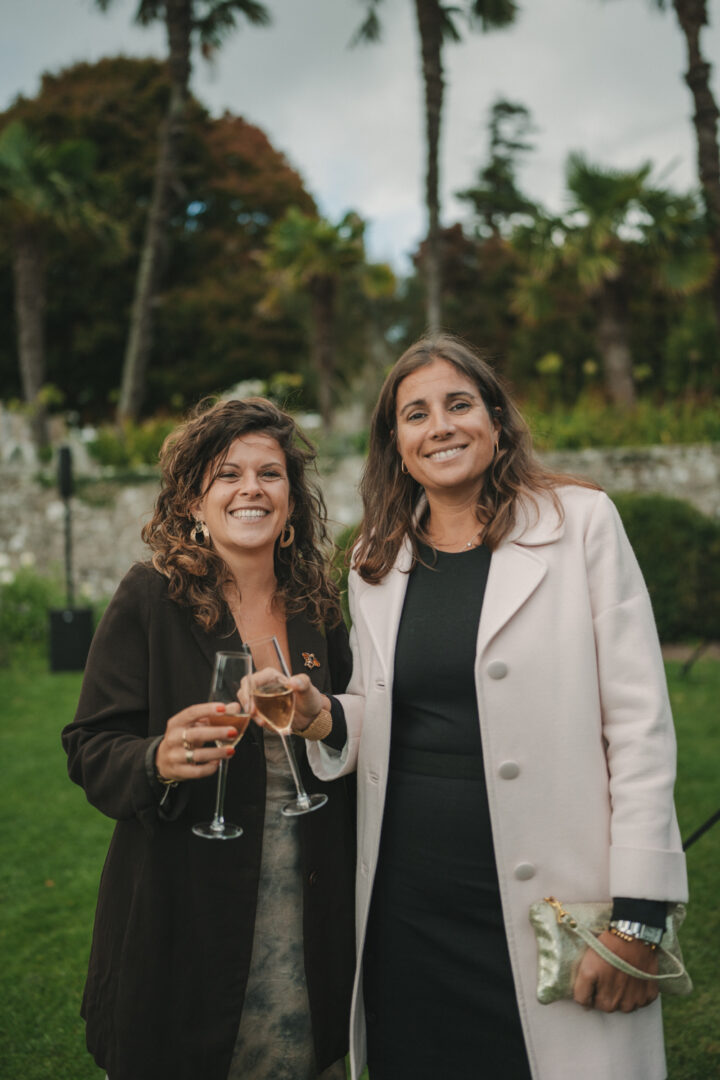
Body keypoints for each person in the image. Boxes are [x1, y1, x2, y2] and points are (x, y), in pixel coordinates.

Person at [297, 334, 689, 1080]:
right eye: (415, 414)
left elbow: (639, 729)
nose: (439, 425)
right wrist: (325, 715)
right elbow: (383, 710)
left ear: (497, 421)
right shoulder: (373, 558)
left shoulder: (582, 525)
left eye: (458, 404)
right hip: (408, 902)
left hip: (553, 896)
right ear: (396, 445)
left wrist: (640, 917)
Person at [62, 397, 356, 1080]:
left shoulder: (321, 608)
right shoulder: (149, 599)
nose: (251, 488)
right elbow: (89, 744)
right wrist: (154, 760)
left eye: (270, 474)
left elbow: (356, 723)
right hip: (180, 914)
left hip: (306, 910)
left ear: (292, 503)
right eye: (227, 474)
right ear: (194, 502)